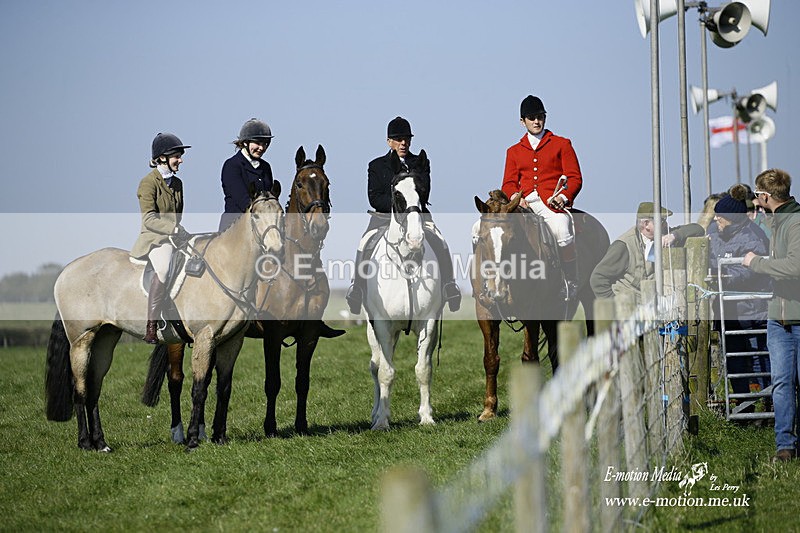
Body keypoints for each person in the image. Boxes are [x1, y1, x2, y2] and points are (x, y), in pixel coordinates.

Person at [345, 116, 461, 314]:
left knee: (440, 241)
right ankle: (357, 288)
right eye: (399, 139)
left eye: (407, 139)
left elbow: (425, 193)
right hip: (383, 219)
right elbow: (374, 198)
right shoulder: (376, 165)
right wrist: (398, 208)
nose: (403, 143)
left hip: (417, 216)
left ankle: (449, 285)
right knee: (364, 243)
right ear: (389, 141)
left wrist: (409, 207)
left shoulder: (420, 162)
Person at [743, 168, 800, 462]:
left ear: (766, 196)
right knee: (781, 382)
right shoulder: (774, 221)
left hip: (796, 316)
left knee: (792, 382)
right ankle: (785, 447)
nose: (755, 201)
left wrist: (757, 264)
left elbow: (795, 266)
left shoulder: (795, 223)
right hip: (778, 317)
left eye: (756, 195)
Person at [501, 95, 583, 300]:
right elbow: (508, 183)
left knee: (562, 229)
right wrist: (516, 198)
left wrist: (563, 197)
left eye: (540, 117)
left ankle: (569, 281)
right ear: (522, 122)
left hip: (551, 203)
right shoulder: (513, 151)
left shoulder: (562, 144)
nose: (536, 121)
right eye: (531, 118)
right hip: (525, 203)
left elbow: (575, 178)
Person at [708, 185, 771, 409]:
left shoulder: (754, 237)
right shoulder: (714, 233)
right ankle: (744, 405)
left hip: (754, 309)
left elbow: (751, 270)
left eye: (720, 217)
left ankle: (768, 403)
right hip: (727, 310)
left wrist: (723, 277)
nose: (716, 220)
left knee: (758, 357)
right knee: (734, 358)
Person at [131, 133, 192, 344]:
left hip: (174, 235)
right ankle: (152, 325)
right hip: (154, 238)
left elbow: (178, 215)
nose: (181, 160)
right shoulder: (147, 183)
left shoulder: (178, 183)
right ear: (162, 158)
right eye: (177, 156)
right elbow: (149, 219)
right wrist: (172, 230)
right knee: (164, 268)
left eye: (180, 155)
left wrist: (179, 231)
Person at [590, 202, 704, 301]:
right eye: (662, 221)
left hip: (654, 308)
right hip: (629, 312)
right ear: (646, 224)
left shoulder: (665, 236)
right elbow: (598, 278)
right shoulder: (623, 246)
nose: (666, 224)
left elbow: (698, 229)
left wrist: (674, 236)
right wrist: (615, 307)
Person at [219, 118, 275, 232]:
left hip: (262, 226)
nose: (262, 148)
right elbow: (243, 201)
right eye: (258, 143)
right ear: (245, 142)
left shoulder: (266, 167)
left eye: (265, 144)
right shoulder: (232, 165)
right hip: (234, 226)